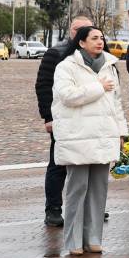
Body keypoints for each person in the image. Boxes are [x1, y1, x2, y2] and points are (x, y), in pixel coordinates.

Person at [52, 25, 126, 255]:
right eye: (94, 38)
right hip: (78, 136)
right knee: (77, 188)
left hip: (104, 135)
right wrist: (98, 87)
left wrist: (121, 131)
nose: (100, 41)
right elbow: (68, 96)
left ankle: (93, 237)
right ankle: (73, 241)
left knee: (98, 189)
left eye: (101, 37)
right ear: (81, 42)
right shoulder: (66, 66)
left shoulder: (110, 66)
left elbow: (117, 103)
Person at [36, 15, 94, 228]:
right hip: (63, 119)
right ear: (71, 31)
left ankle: (88, 207)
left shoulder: (98, 55)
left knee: (89, 164)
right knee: (58, 164)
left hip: (89, 119)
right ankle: (53, 209)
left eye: (85, 29)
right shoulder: (56, 53)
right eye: (76, 29)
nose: (79, 33)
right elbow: (43, 85)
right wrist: (48, 117)